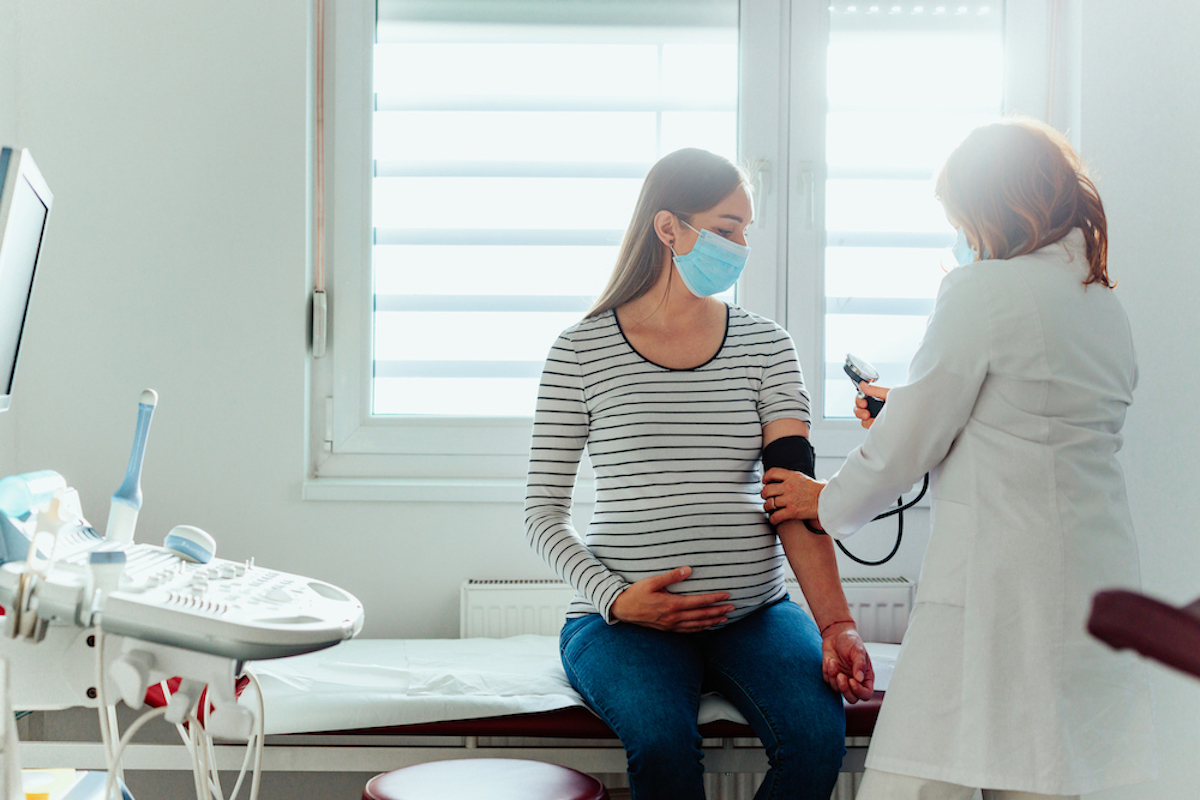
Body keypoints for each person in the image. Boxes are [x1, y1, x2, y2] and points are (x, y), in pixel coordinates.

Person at [760, 118, 1157, 800]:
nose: (964, 234)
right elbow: (1029, 413)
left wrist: (822, 500)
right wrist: (908, 404)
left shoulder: (983, 290)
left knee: (917, 778)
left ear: (992, 206)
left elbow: (907, 446)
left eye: (962, 216)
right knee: (1052, 773)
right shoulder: (1100, 301)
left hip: (1006, 577)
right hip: (1094, 571)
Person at [524, 148, 873, 800]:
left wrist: (836, 626)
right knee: (660, 745)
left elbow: (791, 500)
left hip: (754, 614)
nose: (742, 244)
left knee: (818, 738)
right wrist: (618, 599)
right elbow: (541, 513)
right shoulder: (579, 351)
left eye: (746, 229)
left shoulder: (768, 347)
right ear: (668, 228)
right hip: (621, 622)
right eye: (726, 226)